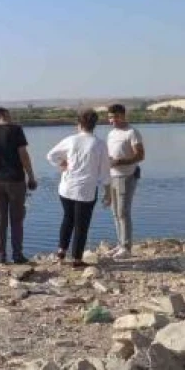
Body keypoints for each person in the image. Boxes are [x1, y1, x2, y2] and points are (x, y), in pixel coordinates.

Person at [47, 110, 111, 268]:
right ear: (94, 125)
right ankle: (76, 258)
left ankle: (61, 252)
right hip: (86, 190)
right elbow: (104, 172)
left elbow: (51, 155)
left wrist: (63, 164)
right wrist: (108, 191)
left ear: (79, 124)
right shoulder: (100, 144)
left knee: (68, 218)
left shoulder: (71, 140)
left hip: (66, 188)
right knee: (81, 225)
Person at [0, 107, 38, 264]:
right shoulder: (16, 129)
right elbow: (23, 154)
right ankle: (17, 255)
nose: (12, 117)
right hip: (15, 180)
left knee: (0, 220)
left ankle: (1, 256)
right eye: (9, 115)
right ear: (3, 115)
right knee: (17, 220)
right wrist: (31, 176)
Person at [105, 104, 145, 258]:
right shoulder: (111, 134)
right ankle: (120, 244)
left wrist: (120, 162)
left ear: (123, 115)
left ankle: (126, 247)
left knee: (123, 212)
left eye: (115, 117)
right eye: (110, 117)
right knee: (115, 212)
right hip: (112, 176)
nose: (112, 120)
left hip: (126, 176)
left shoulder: (132, 132)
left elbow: (140, 155)